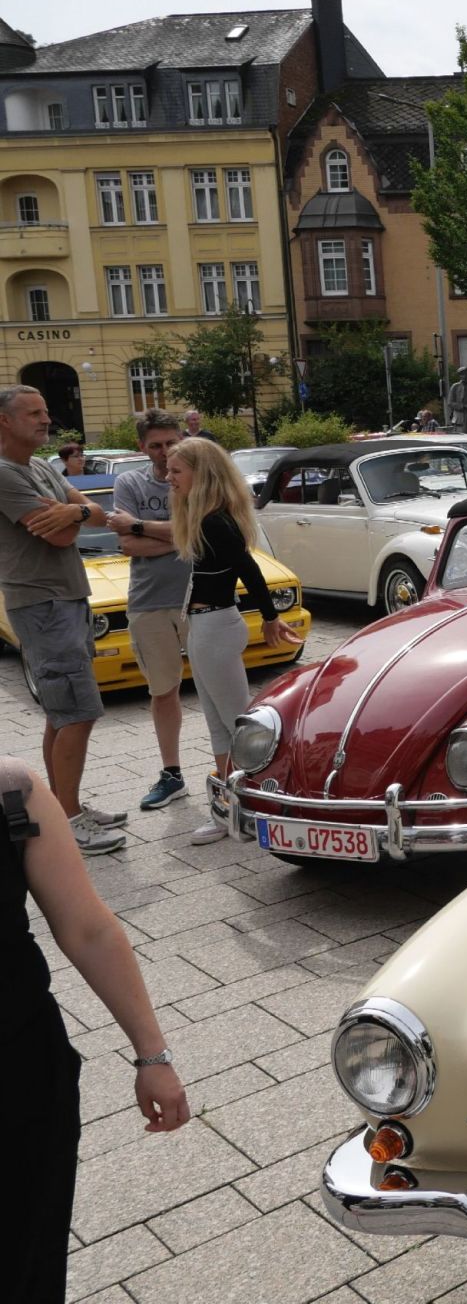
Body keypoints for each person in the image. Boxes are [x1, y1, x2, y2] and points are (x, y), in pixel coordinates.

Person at [3, 757, 191, 1303]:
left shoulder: (13, 793)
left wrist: (154, 1058)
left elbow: (87, 930)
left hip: (20, 1083)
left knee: (26, 1262)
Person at [0, 385, 127, 853]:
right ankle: (69, 818)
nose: (45, 419)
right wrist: (75, 514)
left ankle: (62, 807)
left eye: (45, 410)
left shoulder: (37, 466)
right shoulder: (5, 474)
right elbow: (56, 538)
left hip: (66, 599)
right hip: (42, 603)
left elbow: (95, 514)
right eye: (33, 413)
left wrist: (71, 510)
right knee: (78, 710)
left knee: (63, 709)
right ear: (4, 422)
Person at [166, 439, 301, 844]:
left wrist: (271, 617)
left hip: (215, 628)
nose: (169, 478)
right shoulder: (205, 518)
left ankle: (263, 800)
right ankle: (233, 806)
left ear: (200, 474)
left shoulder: (213, 522)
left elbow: (249, 568)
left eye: (177, 472)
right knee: (220, 725)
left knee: (237, 724)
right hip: (206, 627)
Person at [105, 411, 192, 812]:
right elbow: (127, 546)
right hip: (149, 600)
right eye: (155, 445)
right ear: (141, 446)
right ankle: (171, 774)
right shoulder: (128, 481)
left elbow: (201, 530)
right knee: (163, 691)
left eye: (171, 442)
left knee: (216, 688)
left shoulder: (195, 476)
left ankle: (233, 770)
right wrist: (178, 534)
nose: (164, 452)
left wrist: (139, 525)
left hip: (199, 596)